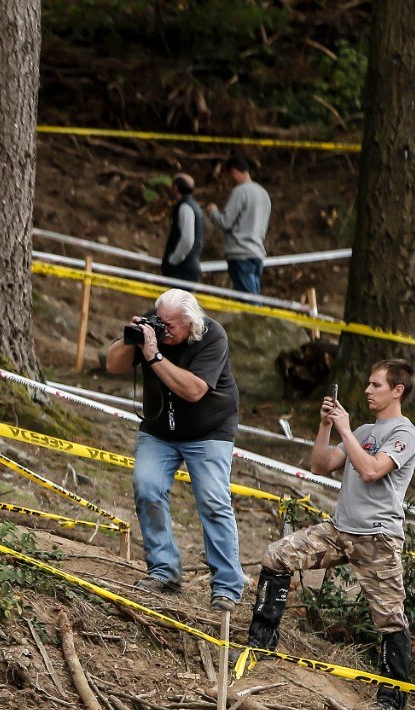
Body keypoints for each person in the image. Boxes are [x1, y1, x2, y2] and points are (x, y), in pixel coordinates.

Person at [246, 360, 415, 710]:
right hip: (340, 530)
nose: (368, 390)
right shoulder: (365, 429)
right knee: (276, 556)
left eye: (376, 385)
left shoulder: (406, 434)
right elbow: (320, 465)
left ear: (397, 390)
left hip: (377, 538)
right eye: (369, 384)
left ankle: (392, 698)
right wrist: (327, 426)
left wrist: (346, 429)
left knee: (390, 618)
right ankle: (260, 645)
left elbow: (372, 471)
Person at [104, 290, 243, 612]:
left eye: (170, 326)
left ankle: (226, 586)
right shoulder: (154, 326)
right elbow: (112, 365)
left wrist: (154, 356)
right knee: (147, 486)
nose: (164, 330)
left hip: (209, 430)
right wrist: (133, 340)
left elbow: (194, 390)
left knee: (212, 501)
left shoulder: (211, 336)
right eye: (160, 321)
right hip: (159, 430)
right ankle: (163, 571)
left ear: (190, 322)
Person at [205, 153, 271, 295]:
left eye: (228, 176)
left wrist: (213, 212)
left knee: (248, 303)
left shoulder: (240, 191)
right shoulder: (263, 193)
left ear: (233, 171)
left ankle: (256, 318)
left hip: (240, 253)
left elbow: (225, 222)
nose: (228, 180)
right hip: (257, 252)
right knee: (253, 295)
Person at [160, 173, 203, 283]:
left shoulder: (185, 206)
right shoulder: (194, 206)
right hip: (188, 267)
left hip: (182, 270)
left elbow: (187, 240)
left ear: (175, 187)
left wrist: (173, 260)